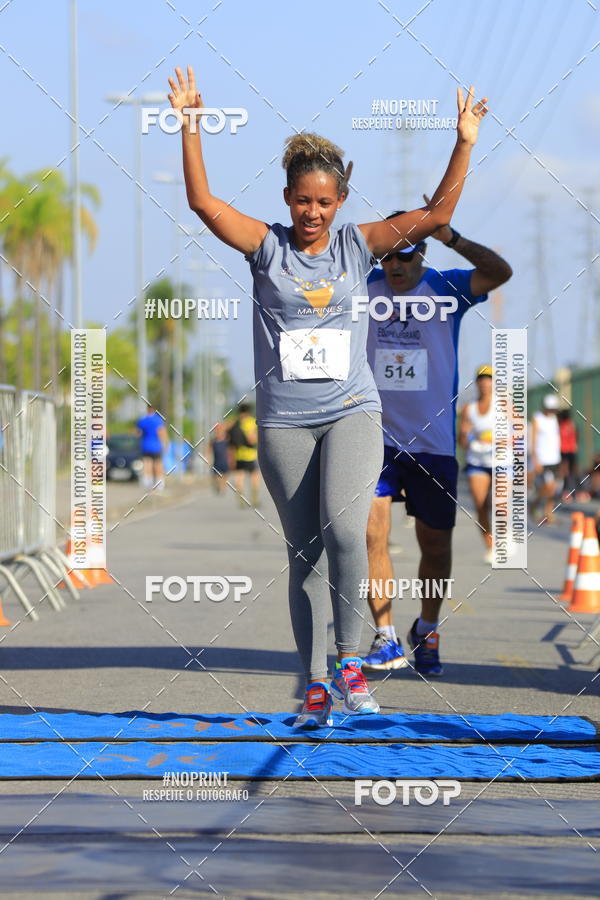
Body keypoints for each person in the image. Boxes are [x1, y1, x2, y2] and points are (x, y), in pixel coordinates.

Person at [170, 64, 488, 726]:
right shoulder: (266, 248)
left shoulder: (355, 247)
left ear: (341, 200)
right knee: (305, 553)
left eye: (324, 202)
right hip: (285, 422)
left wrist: (464, 142)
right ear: (287, 198)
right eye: (301, 201)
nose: (312, 214)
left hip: (351, 411)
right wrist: (190, 125)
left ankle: (352, 659)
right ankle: (314, 683)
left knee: (347, 529)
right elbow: (204, 204)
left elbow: (434, 216)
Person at [363, 215, 512, 675]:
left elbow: (501, 272)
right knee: (372, 535)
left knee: (435, 546)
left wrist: (451, 236)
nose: (394, 264)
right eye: (387, 253)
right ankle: (384, 637)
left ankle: (426, 630)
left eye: (404, 254)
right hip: (373, 439)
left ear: (422, 253)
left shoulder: (447, 289)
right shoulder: (362, 286)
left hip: (433, 444)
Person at [459, 365, 494, 563]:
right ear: (476, 383)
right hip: (476, 462)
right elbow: (461, 442)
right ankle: (490, 544)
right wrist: (465, 433)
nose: (485, 382)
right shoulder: (469, 409)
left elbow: (519, 433)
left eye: (488, 378)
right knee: (481, 506)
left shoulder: (504, 405)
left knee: (499, 503)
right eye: (481, 379)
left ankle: (504, 536)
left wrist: (504, 439)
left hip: (500, 462)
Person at [530, 395, 561, 524]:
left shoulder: (554, 418)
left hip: (555, 459)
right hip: (543, 459)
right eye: (550, 409)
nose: (551, 412)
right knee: (548, 486)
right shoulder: (537, 418)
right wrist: (535, 460)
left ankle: (548, 513)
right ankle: (535, 505)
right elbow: (533, 440)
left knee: (554, 488)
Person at [228, 403, 260, 507]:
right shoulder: (251, 422)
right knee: (254, 476)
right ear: (249, 411)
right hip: (250, 454)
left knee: (239, 476)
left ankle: (241, 501)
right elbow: (252, 439)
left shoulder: (235, 422)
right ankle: (254, 499)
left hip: (238, 454)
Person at [136, 404, 168, 490]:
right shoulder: (158, 420)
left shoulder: (142, 420)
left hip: (146, 445)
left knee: (147, 462)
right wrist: (165, 444)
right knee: (158, 463)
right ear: (154, 410)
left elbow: (139, 433)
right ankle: (159, 483)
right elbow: (161, 432)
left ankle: (148, 482)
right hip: (156, 445)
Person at [558, 408, 579, 502]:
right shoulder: (560, 425)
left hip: (571, 450)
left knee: (572, 471)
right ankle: (565, 491)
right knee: (565, 472)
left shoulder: (570, 424)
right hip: (564, 450)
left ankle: (575, 491)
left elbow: (576, 435)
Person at [210, 421, 230, 494]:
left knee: (225, 475)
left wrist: (230, 459)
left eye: (220, 429)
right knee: (216, 475)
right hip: (216, 460)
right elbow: (209, 449)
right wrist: (208, 458)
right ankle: (218, 486)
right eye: (217, 430)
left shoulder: (227, 439)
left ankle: (223, 486)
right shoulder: (213, 440)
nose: (218, 431)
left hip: (225, 460)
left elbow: (230, 450)